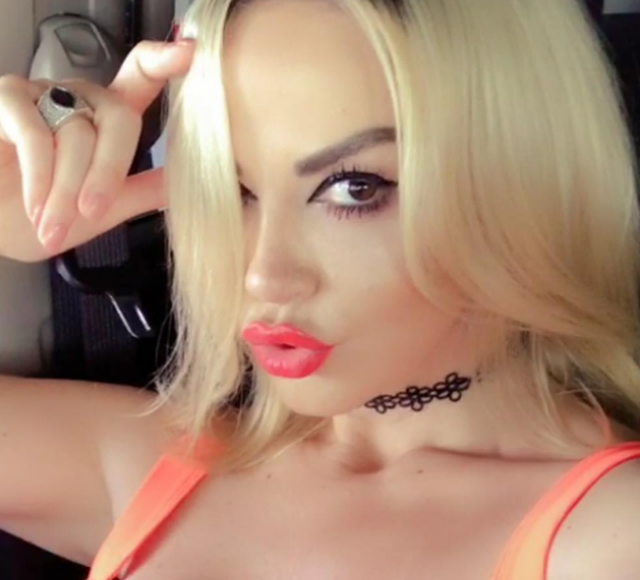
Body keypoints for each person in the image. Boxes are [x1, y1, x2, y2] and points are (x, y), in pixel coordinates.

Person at [1, 0, 640, 578]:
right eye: (233, 187)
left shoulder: (613, 533)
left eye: (355, 189)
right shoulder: (148, 467)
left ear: (520, 186)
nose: (262, 275)